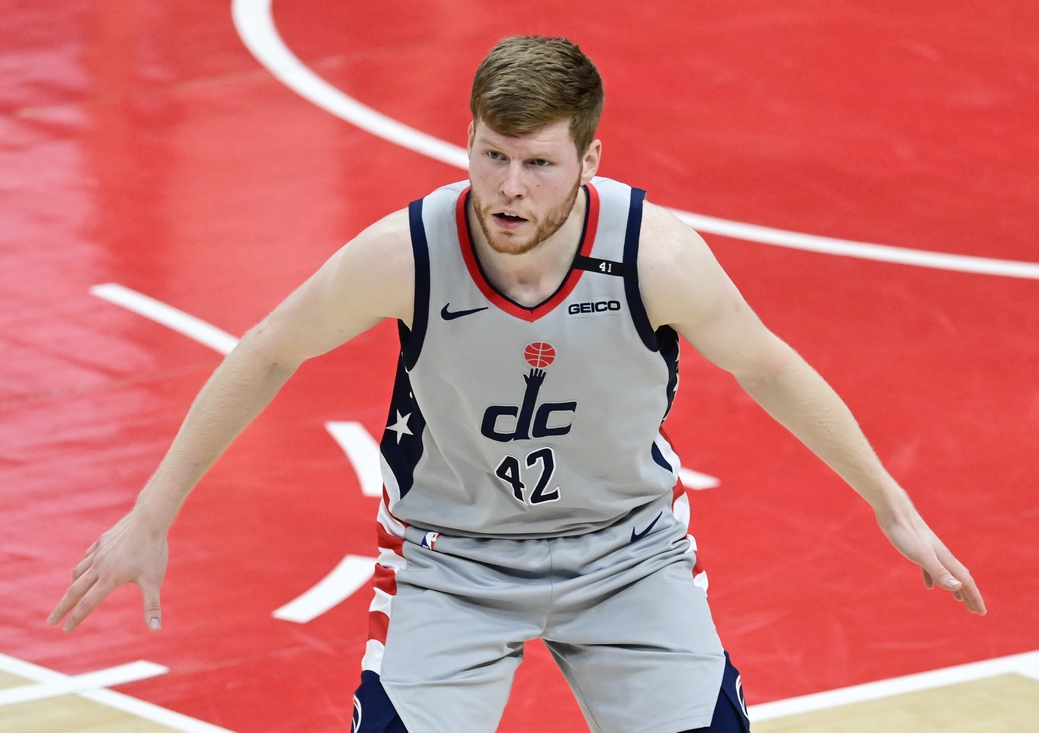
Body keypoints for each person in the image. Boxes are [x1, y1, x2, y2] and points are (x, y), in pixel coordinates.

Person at [49, 35, 985, 733]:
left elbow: (771, 368)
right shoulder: (409, 252)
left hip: (627, 554)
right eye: (493, 154)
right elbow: (266, 349)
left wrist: (891, 505)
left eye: (539, 163)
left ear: (590, 161)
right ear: (467, 140)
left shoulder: (653, 257)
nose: (509, 187)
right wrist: (151, 513)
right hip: (451, 561)